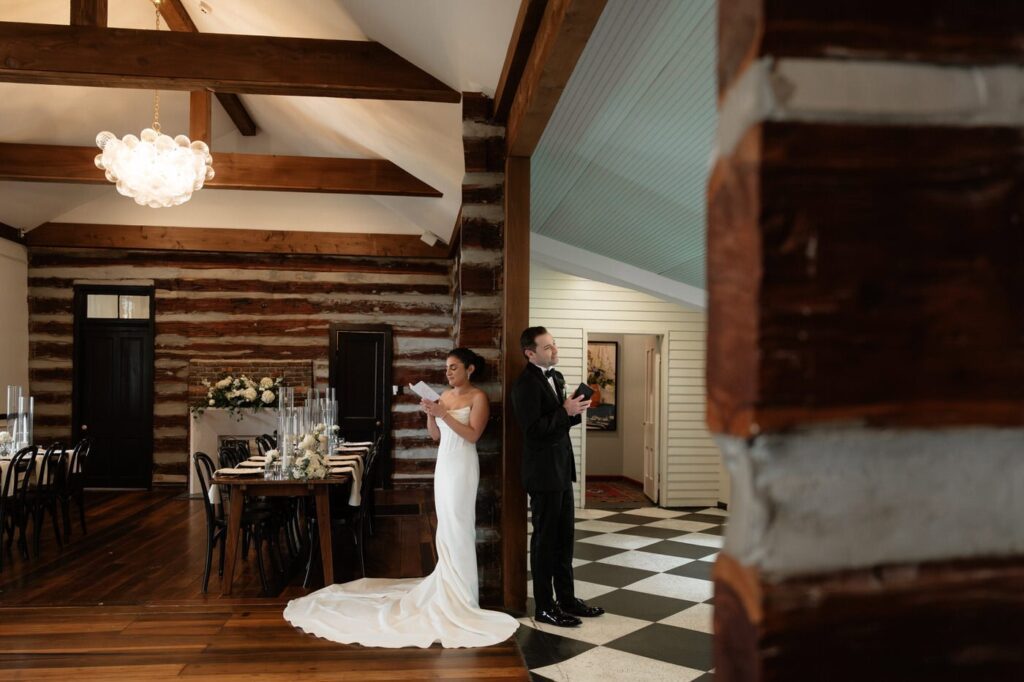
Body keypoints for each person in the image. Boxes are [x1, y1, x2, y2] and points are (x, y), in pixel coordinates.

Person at [284, 348, 518, 648]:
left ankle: (464, 595)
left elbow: (472, 435)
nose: (448, 372)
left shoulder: (478, 398)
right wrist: (431, 414)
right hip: (444, 465)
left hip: (463, 465)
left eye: (454, 367)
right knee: (445, 524)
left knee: (460, 525)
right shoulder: (444, 395)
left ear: (470, 369)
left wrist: (444, 413)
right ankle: (447, 582)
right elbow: (436, 436)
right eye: (446, 367)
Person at [511, 326, 605, 627]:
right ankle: (544, 607)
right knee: (544, 542)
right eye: (548, 346)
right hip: (542, 474)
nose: (555, 350)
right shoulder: (524, 385)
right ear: (530, 353)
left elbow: (560, 424)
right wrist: (564, 411)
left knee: (565, 540)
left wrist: (576, 410)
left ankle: (566, 599)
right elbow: (533, 431)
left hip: (562, 469)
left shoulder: (558, 378)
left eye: (554, 344)